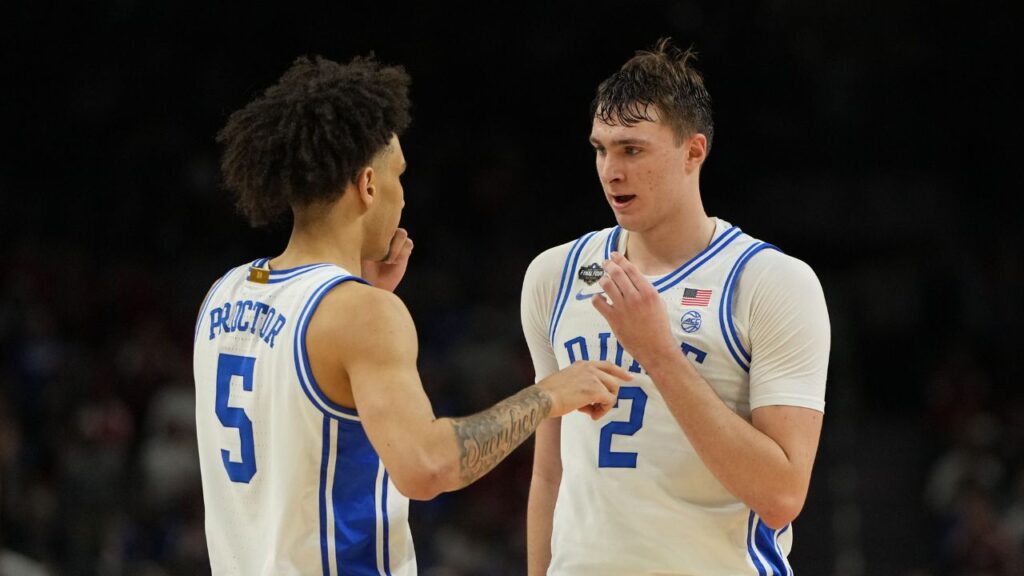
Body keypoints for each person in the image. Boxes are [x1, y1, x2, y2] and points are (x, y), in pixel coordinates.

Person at [193, 54, 630, 576]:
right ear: (368, 185)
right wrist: (550, 395)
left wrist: (356, 296)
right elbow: (427, 467)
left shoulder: (224, 292)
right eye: (399, 175)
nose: (403, 195)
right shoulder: (362, 315)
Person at [522, 38, 831, 575]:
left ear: (693, 152)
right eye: (601, 148)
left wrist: (659, 354)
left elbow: (782, 496)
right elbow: (550, 471)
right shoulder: (556, 275)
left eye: (632, 149)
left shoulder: (771, 283)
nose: (610, 171)